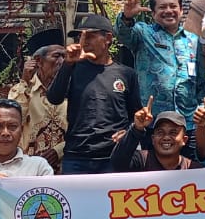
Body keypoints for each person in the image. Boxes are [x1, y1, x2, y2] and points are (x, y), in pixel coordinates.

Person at [48, 14, 142, 175]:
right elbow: (54, 98)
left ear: (108, 38)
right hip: (77, 156)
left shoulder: (126, 74)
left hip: (114, 156)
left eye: (90, 36)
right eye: (80, 37)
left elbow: (136, 114)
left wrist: (128, 133)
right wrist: (68, 64)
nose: (84, 42)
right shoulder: (73, 69)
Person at [120, 0, 204, 123]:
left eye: (173, 6)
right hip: (152, 120)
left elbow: (200, 81)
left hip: (187, 120)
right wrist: (127, 17)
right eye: (162, 7)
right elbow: (123, 34)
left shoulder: (193, 40)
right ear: (153, 13)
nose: (169, 10)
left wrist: (202, 107)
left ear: (181, 10)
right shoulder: (143, 34)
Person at [9, 42, 68, 167]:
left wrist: (58, 151)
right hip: (29, 167)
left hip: (65, 167)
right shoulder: (20, 90)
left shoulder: (73, 91)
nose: (61, 61)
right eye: (56, 56)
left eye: (64, 57)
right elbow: (14, 122)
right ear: (39, 61)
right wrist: (24, 81)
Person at [109, 105, 202, 171]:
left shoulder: (193, 169)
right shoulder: (141, 160)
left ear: (184, 140)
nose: (166, 137)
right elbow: (117, 163)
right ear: (153, 139)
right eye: (160, 132)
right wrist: (136, 129)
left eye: (173, 133)